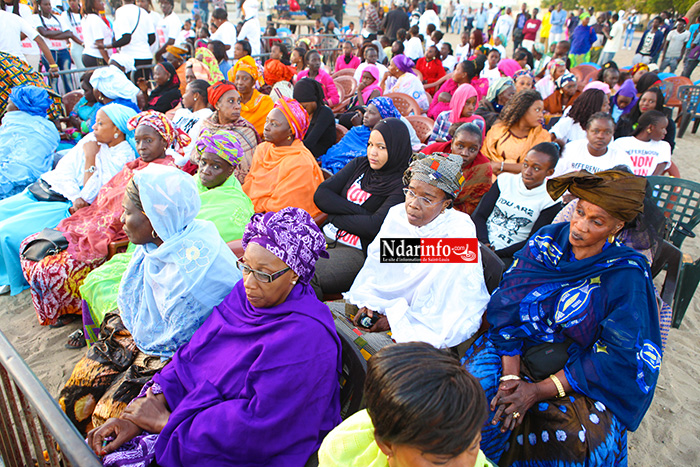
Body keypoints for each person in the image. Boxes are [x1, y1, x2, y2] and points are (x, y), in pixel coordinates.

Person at [88, 207, 339, 466]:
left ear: (295, 275)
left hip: (231, 445)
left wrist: (165, 422)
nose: (249, 283)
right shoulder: (244, 298)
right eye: (246, 267)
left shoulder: (307, 339)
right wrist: (141, 414)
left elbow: (262, 426)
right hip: (190, 422)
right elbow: (192, 356)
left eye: (263, 274)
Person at [463, 169, 661, 466]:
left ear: (617, 226)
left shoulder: (627, 273)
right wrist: (511, 377)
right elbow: (507, 306)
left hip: (580, 372)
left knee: (579, 443)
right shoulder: (546, 242)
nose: (579, 226)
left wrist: (537, 391)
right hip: (513, 349)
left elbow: (620, 353)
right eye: (579, 212)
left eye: (596, 221)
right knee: (471, 402)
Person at [59, 164, 241, 434]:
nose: (121, 219)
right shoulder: (154, 246)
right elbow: (140, 305)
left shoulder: (201, 272)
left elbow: (189, 344)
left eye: (127, 212)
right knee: (74, 393)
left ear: (154, 219)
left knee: (107, 414)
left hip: (178, 359)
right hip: (142, 334)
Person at [78, 126, 255, 347]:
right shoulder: (182, 191)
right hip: (164, 251)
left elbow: (179, 339)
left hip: (187, 351)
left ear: (156, 219)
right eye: (203, 163)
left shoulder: (193, 272)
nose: (206, 171)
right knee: (96, 280)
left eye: (128, 212)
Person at [21, 111, 185, 328]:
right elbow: (104, 197)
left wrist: (94, 228)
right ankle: (64, 308)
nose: (142, 146)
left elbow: (131, 216)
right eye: (138, 141)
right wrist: (85, 221)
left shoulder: (165, 173)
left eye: (148, 140)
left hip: (116, 234)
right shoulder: (133, 165)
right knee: (30, 244)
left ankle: (68, 308)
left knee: (51, 267)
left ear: (164, 141)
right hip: (94, 222)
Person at [344, 153, 490, 348]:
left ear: (446, 204)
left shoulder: (459, 230)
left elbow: (444, 296)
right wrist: (372, 303)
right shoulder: (397, 215)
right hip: (390, 304)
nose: (413, 204)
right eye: (410, 192)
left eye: (427, 199)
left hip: (431, 317)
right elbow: (379, 268)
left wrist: (394, 319)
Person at [0, 103, 136, 297]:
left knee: (6, 232)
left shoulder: (122, 156)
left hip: (67, 206)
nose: (94, 127)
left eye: (100, 123)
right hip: (53, 189)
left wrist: (90, 159)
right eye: (95, 122)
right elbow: (65, 170)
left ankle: (9, 280)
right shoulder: (91, 140)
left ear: (117, 129)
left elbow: (92, 195)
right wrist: (73, 191)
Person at [320, 342, 494, 467]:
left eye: (473, 446)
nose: (466, 464)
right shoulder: (345, 451)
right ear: (386, 445)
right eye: (439, 461)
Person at [311, 117, 411, 300]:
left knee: (306, 273)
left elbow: (374, 227)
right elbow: (321, 195)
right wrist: (361, 214)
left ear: (396, 148)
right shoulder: (360, 165)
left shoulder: (401, 186)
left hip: (357, 251)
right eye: (370, 144)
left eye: (382, 147)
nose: (373, 152)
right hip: (326, 235)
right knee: (281, 260)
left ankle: (313, 323)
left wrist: (334, 215)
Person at [473, 142, 561, 263]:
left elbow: (534, 240)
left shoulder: (551, 199)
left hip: (510, 255)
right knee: (444, 259)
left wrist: (496, 254)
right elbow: (479, 216)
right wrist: (484, 243)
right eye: (525, 164)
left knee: (488, 273)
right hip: (479, 242)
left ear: (550, 172)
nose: (527, 172)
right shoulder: (505, 180)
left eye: (536, 168)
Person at [243, 98, 324, 217]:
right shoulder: (263, 149)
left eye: (274, 124)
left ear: (290, 132)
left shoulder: (300, 163)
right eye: (267, 121)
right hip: (253, 211)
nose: (266, 127)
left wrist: (253, 202)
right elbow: (249, 183)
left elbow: (281, 208)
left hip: (283, 223)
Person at [191, 81, 260, 183]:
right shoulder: (207, 125)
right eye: (231, 101)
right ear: (218, 105)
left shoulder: (245, 131)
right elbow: (196, 156)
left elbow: (249, 169)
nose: (237, 106)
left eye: (238, 101)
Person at [0, 86, 60, 200]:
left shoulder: (15, 125)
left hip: (12, 188)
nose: (6, 108)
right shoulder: (47, 128)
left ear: (18, 106)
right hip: (37, 186)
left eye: (9, 103)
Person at [422, 122, 493, 215]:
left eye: (472, 149)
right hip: (421, 203)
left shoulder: (482, 168)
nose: (464, 153)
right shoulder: (433, 152)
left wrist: (441, 211)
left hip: (454, 215)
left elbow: (475, 204)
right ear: (452, 143)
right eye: (460, 146)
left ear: (479, 149)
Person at [483, 89, 551, 177]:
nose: (541, 115)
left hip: (523, 185)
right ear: (523, 109)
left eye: (542, 111)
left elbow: (536, 167)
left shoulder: (543, 137)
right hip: (490, 181)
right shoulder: (498, 129)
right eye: (537, 110)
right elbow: (485, 158)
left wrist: (501, 166)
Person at [553, 112, 633, 180]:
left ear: (613, 133)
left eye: (607, 132)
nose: (601, 136)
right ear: (587, 131)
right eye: (595, 131)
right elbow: (553, 178)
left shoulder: (621, 158)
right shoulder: (570, 149)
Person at [32, 0, 79, 93]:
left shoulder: (58, 17)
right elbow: (43, 32)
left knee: (67, 77)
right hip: (50, 52)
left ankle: (71, 99)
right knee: (53, 79)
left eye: (49, 4)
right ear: (39, 6)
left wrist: (50, 33)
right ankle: (56, 103)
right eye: (45, 5)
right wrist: (61, 33)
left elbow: (69, 33)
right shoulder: (36, 17)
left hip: (63, 50)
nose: (49, 7)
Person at [104, 0, 156, 82]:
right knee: (144, 88)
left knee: (131, 90)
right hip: (146, 57)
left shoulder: (121, 11)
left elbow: (126, 38)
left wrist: (106, 46)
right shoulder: (143, 12)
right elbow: (152, 38)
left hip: (130, 58)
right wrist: (141, 46)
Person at [611, 110, 671, 177]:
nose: (665, 132)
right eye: (662, 128)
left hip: (650, 186)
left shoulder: (664, 146)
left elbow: (655, 176)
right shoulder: (621, 143)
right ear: (650, 128)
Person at [615, 87, 676, 152]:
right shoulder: (626, 119)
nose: (645, 104)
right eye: (643, 100)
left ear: (658, 104)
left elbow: (669, 148)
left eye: (651, 101)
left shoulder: (667, 124)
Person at [290, 78, 334, 160]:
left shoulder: (325, 113)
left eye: (304, 107)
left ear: (314, 100)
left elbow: (310, 143)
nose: (302, 110)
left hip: (320, 156)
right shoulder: (304, 114)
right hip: (304, 152)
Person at [230, 55, 274, 136]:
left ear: (253, 82)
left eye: (245, 79)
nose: (239, 82)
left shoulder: (265, 102)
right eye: (237, 78)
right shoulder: (231, 101)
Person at [171, 79, 212, 164]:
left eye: (186, 92)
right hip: (168, 158)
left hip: (184, 164)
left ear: (196, 95)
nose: (183, 96)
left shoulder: (207, 117)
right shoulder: (181, 113)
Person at [81, 0, 112, 67]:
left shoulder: (87, 17)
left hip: (90, 55)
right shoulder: (95, 19)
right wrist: (109, 62)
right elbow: (99, 43)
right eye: (99, 1)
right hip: (96, 56)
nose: (102, 3)